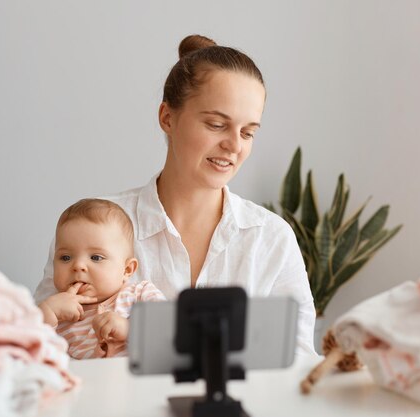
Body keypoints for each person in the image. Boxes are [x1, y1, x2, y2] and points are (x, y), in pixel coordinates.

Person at [35, 34, 317, 357]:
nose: (234, 146)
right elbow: (32, 352)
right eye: (216, 124)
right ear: (168, 118)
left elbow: (299, 366)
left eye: (248, 132)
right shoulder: (93, 229)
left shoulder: (271, 238)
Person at [38, 198, 166, 359]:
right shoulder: (60, 317)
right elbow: (27, 352)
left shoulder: (139, 293)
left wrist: (130, 329)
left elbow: (170, 330)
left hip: (140, 380)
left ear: (127, 269)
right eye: (65, 257)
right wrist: (46, 313)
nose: (78, 266)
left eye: (96, 257)